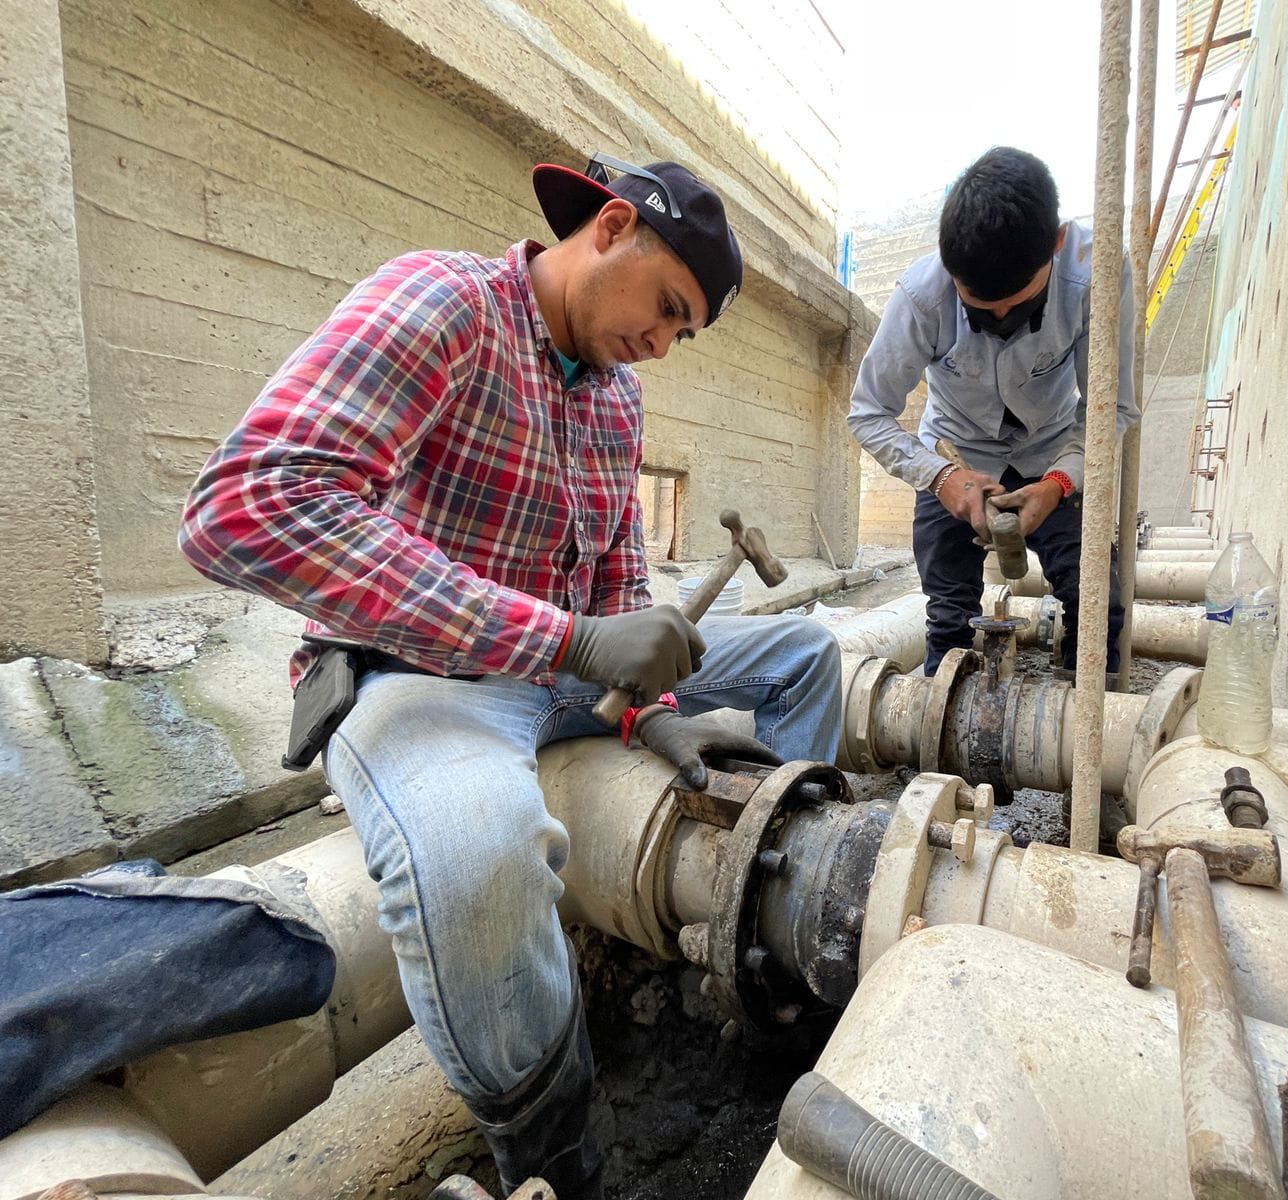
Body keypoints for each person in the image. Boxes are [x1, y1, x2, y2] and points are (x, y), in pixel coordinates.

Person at [178, 153, 841, 1200]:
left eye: (683, 334)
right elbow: (248, 506)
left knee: (804, 654)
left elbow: (620, 583)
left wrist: (658, 712)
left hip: (565, 675)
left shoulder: (617, 401)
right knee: (481, 855)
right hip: (422, 677)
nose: (662, 345)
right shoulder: (444, 303)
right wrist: (571, 645)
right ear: (613, 225)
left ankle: (775, 904)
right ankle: (555, 1153)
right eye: (666, 308)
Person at [848, 146, 1138, 680]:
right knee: (947, 612)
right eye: (980, 312)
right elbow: (867, 413)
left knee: (1099, 604)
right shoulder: (921, 295)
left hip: (1053, 449)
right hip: (955, 449)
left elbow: (1111, 408)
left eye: (1019, 306)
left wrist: (1056, 484)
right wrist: (940, 478)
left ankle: (1087, 711)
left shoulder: (1097, 274)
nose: (1001, 321)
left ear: (1055, 243)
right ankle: (941, 702)